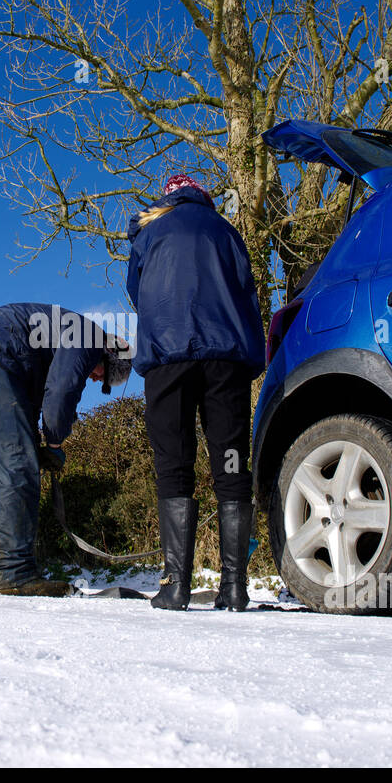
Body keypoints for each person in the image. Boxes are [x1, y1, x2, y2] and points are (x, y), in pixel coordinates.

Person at [127, 175, 265, 611]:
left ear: (167, 197)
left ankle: (175, 585)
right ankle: (235, 587)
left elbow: (136, 292)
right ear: (203, 197)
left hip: (168, 355)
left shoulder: (150, 231)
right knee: (231, 462)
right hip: (225, 356)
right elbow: (247, 290)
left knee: (174, 462)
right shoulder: (227, 230)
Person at [0, 302, 132, 597]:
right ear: (107, 355)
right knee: (17, 468)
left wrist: (35, 438)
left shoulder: (61, 332)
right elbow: (62, 389)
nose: (95, 380)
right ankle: (14, 573)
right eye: (101, 376)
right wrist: (53, 443)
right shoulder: (89, 337)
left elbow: (32, 396)